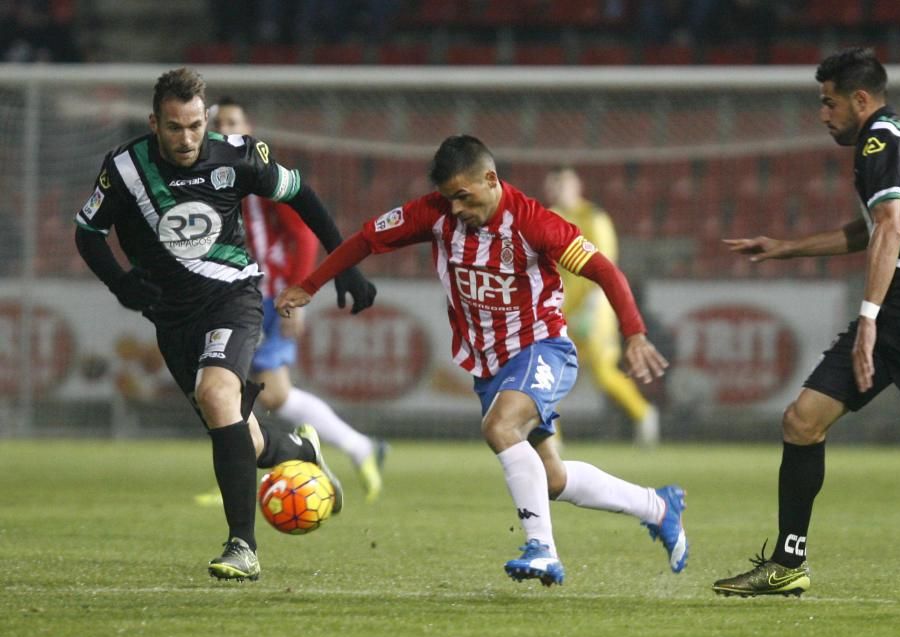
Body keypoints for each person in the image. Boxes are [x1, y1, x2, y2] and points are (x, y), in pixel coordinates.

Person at [277, 135, 689, 586]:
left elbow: (604, 270)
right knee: (549, 479)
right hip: (490, 366)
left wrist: (633, 333)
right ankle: (658, 507)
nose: (455, 209)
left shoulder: (536, 224)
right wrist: (311, 284)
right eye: (449, 198)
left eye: (463, 197)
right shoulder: (433, 214)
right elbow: (366, 240)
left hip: (541, 347)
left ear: (490, 180)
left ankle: (543, 551)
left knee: (499, 428)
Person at [714, 47, 900, 597]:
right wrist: (787, 248)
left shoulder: (879, 141)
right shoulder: (886, 143)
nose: (822, 115)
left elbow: (889, 228)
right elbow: (872, 228)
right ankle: (786, 562)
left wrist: (867, 319)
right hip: (899, 315)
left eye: (828, 103)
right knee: (802, 421)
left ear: (860, 99)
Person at [73, 67, 377, 582]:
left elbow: (301, 193)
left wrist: (342, 263)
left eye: (195, 125)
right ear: (154, 123)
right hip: (170, 319)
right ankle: (299, 450)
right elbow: (88, 232)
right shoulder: (124, 169)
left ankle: (243, 545)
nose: (187, 138)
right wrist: (120, 283)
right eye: (174, 127)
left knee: (217, 396)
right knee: (240, 433)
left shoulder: (237, 154)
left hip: (232, 299)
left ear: (205, 118)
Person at [211, 97, 387, 504]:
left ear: (249, 125)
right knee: (256, 391)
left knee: (245, 389)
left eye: (233, 121)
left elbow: (304, 233)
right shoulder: (212, 176)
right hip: (237, 293)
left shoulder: (260, 173)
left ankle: (245, 475)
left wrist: (298, 291)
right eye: (219, 123)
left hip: (268, 296)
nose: (226, 128)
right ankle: (360, 447)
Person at [544, 165, 660, 446]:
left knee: (604, 373)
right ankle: (551, 436)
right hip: (560, 310)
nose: (558, 190)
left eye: (563, 184)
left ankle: (644, 413)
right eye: (555, 185)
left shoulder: (594, 218)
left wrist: (592, 306)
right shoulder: (551, 217)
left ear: (576, 187)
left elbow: (605, 265)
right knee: (548, 371)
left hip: (596, 312)